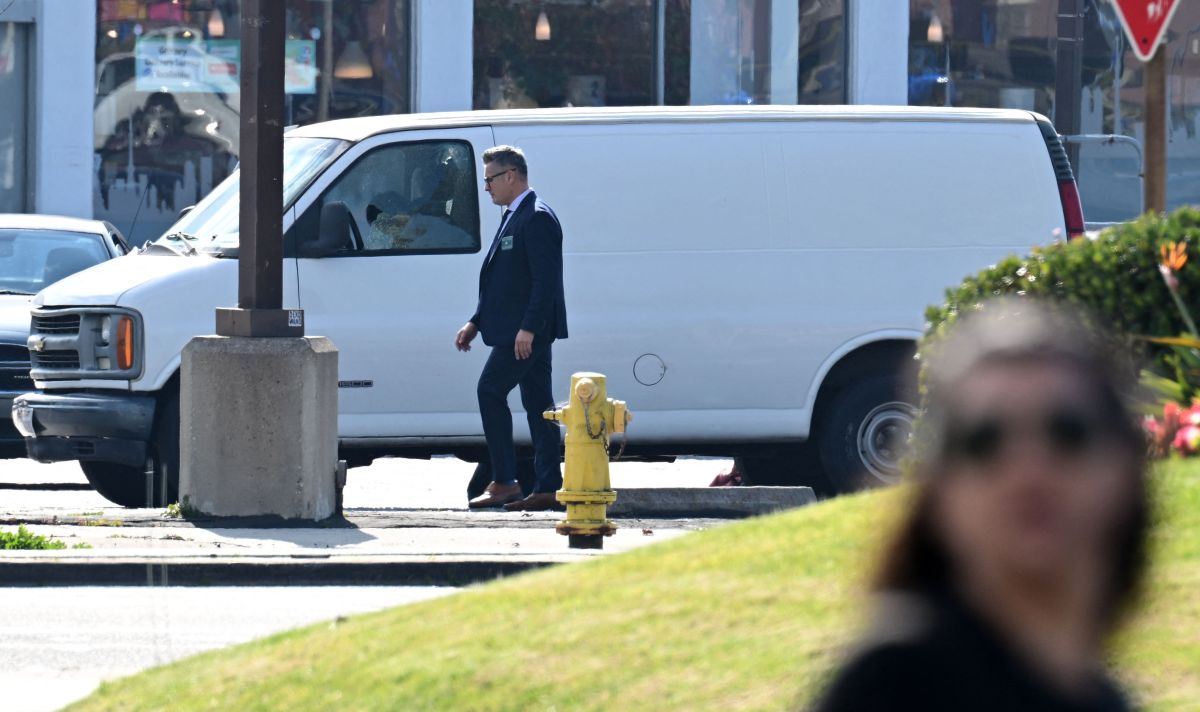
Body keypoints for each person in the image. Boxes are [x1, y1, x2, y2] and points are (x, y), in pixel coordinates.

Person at [812, 300, 1148, 712]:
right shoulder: (896, 684)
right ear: (939, 492)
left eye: (1067, 432)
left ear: (1122, 470)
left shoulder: (1101, 699)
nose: (1028, 469)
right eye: (984, 440)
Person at [455, 146, 568, 511]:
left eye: (489, 179)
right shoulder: (513, 215)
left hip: (525, 334)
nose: (486, 187)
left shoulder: (536, 217)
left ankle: (504, 481)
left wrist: (529, 329)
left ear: (511, 176)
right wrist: (477, 320)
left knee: (490, 390)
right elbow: (503, 279)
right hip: (515, 330)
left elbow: (544, 281)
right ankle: (549, 485)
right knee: (539, 406)